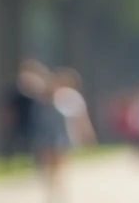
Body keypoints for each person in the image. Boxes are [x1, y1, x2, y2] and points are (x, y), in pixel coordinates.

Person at [31, 68, 95, 203]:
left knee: (58, 163)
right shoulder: (49, 95)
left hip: (61, 135)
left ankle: (57, 190)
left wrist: (86, 133)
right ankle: (52, 188)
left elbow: (79, 117)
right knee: (49, 163)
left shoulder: (71, 96)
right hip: (48, 134)